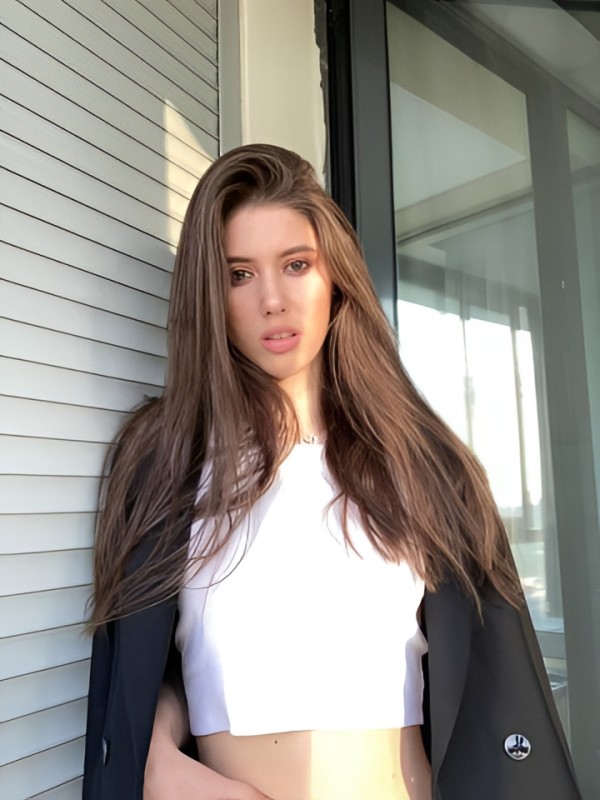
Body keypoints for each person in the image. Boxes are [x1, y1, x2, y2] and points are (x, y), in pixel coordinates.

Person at [83, 144, 581, 800]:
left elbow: (490, 691)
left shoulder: (423, 467)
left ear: (335, 277)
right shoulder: (169, 464)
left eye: (297, 265)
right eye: (239, 274)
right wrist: (155, 756)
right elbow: (152, 663)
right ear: (210, 295)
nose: (273, 300)